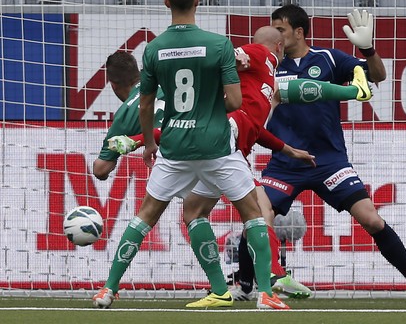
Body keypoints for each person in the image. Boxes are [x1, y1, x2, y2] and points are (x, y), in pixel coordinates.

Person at [107, 26, 372, 302]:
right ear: (280, 46)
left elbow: (279, 104)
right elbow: (262, 75)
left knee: (213, 210)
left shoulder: (267, 78)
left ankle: (253, 283)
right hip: (229, 138)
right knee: (226, 209)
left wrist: (287, 147)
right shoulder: (265, 64)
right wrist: (350, 93)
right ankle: (256, 282)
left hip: (232, 138)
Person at [92, 0, 290, 310]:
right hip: (216, 145)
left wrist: (150, 146)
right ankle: (266, 294)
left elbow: (145, 103)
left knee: (144, 218)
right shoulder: (218, 45)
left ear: (166, 3)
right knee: (253, 215)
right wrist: (208, 107)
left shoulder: (154, 49)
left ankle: (108, 290)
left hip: (175, 146)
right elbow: (232, 100)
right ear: (199, 1)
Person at [233, 3, 406, 303]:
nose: (276, 37)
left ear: (299, 32)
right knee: (257, 216)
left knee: (371, 219)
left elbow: (378, 76)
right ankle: (245, 286)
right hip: (285, 161)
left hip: (329, 161)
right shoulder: (268, 65)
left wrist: (369, 50)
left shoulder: (328, 58)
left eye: (280, 30)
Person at [92, 51, 164, 181]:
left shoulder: (124, 116)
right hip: (205, 146)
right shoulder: (165, 81)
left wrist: (133, 142)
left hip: (177, 163)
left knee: (155, 198)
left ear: (113, 85)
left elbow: (100, 169)